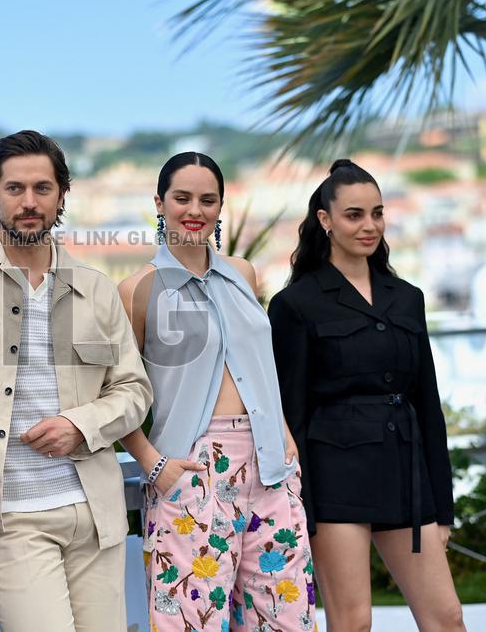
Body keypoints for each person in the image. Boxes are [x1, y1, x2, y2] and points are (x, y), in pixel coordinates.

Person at [0, 130, 152, 632]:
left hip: (97, 518)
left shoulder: (94, 288)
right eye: (14, 189)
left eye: (42, 189)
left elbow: (135, 391)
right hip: (8, 524)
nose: (28, 203)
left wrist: (81, 423)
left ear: (62, 196)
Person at [118, 152, 315, 632]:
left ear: (221, 207)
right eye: (182, 197)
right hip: (190, 467)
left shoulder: (243, 274)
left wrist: (285, 438)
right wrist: (153, 465)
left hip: (270, 466)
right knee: (192, 622)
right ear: (159, 204)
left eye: (208, 200)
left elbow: (260, 366)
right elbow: (116, 389)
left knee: (287, 620)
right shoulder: (137, 289)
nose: (195, 209)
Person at [267, 159, 465, 631]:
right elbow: (288, 413)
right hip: (336, 478)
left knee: (447, 617)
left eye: (377, 213)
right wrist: (302, 506)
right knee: (352, 622)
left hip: (406, 474)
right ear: (325, 220)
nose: (369, 225)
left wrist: (443, 505)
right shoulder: (295, 304)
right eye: (354, 214)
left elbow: (428, 405)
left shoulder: (407, 296)